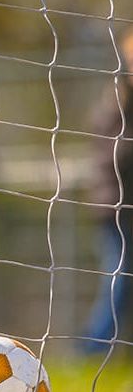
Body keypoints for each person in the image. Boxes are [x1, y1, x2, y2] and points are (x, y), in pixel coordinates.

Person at [84, 28, 133, 352]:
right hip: (115, 206)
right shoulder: (118, 100)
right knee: (117, 281)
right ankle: (91, 350)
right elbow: (117, 154)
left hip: (118, 202)